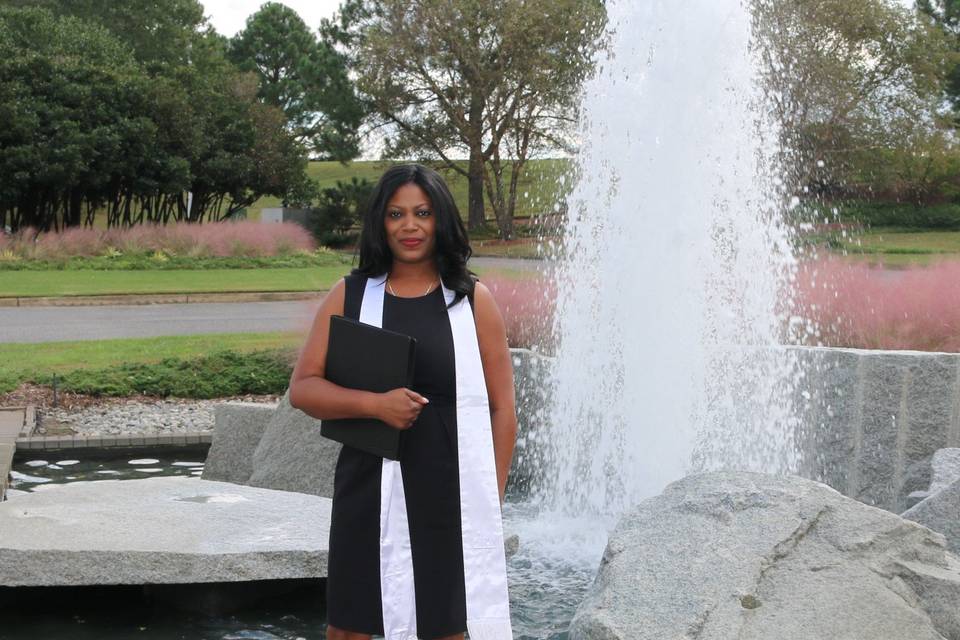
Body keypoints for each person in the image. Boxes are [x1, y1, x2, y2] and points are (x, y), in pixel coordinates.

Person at [288, 163, 517, 640]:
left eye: (422, 213)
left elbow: (502, 409)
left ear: (441, 221)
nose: (409, 226)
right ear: (380, 223)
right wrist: (376, 406)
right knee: (350, 627)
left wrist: (488, 499)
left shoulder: (472, 301)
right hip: (368, 486)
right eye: (396, 214)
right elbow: (304, 388)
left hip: (450, 492)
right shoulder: (348, 296)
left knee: (447, 628)